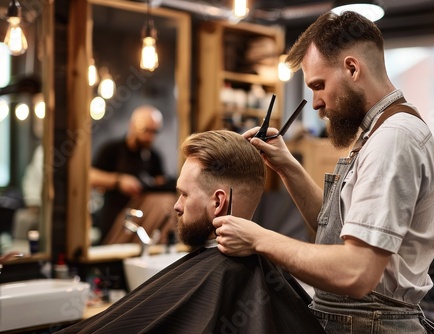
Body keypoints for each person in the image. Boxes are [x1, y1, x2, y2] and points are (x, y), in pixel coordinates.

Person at [213, 11, 434, 333]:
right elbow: (336, 229)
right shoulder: (376, 133)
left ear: (352, 68)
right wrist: (287, 166)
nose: (316, 103)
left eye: (318, 85)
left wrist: (258, 238)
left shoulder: (393, 139)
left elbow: (356, 272)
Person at [57, 130, 324, 334]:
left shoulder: (227, 274)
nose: (176, 205)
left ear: (219, 202)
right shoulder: (248, 275)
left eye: (184, 194)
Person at [90, 105, 176, 245]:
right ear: (132, 125)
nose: (149, 137)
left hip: (142, 222)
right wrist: (119, 181)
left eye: (154, 132)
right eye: (145, 130)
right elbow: (90, 176)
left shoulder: (154, 156)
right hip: (115, 219)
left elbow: (160, 181)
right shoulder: (112, 150)